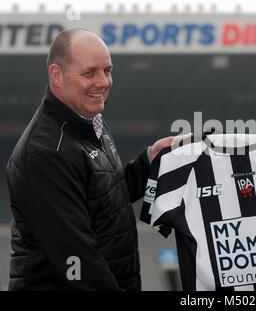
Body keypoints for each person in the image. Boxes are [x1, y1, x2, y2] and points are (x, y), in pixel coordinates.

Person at [6, 29, 176, 290]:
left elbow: (103, 198)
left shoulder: (88, 121)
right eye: (89, 72)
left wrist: (149, 161)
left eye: (107, 70)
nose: (103, 81)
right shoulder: (46, 153)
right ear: (56, 75)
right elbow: (77, 262)